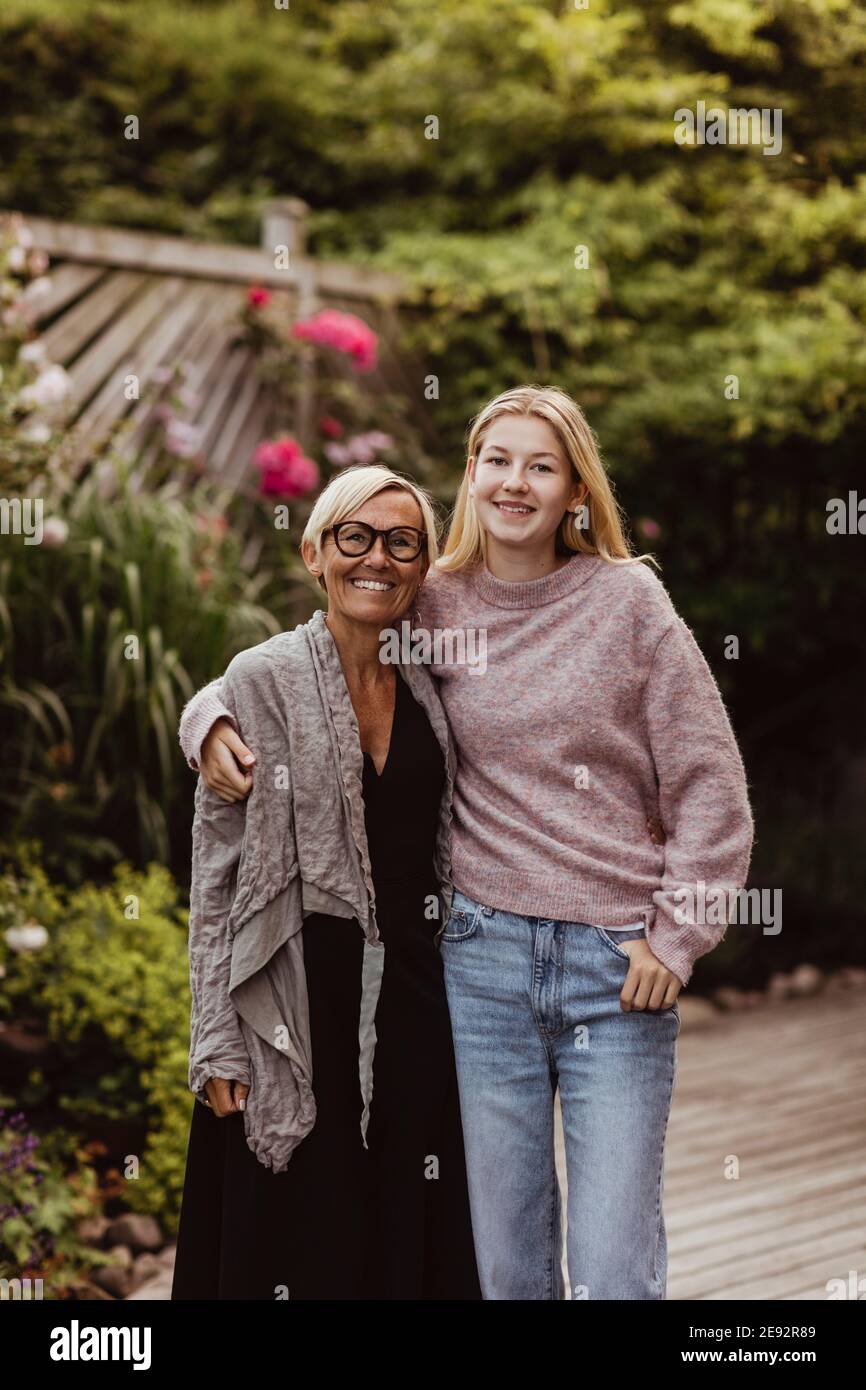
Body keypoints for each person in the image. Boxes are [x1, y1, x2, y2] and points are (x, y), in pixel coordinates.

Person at [179, 385, 754, 1300]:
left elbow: (711, 786)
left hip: (614, 968)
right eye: (497, 461)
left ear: (575, 490)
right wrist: (205, 717)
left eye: (540, 465)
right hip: (479, 966)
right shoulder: (430, 600)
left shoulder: (629, 602)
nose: (514, 482)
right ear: (472, 477)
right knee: (503, 1264)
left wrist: (679, 933)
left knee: (611, 1263)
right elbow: (294, 666)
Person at [171, 465, 481, 1301]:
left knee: (406, 1228)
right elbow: (215, 881)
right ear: (316, 552)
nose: (376, 557)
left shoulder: (433, 677)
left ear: (422, 567)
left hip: (416, 1002)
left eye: (401, 541)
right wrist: (216, 1040)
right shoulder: (259, 681)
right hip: (294, 1001)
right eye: (355, 536)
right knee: (301, 1237)